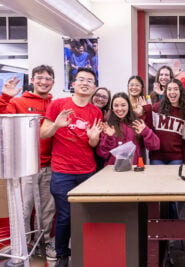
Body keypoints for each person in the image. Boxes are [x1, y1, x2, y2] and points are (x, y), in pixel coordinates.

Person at [40, 67, 103, 267]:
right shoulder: (58, 105)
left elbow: (93, 143)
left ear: (94, 88)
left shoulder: (96, 111)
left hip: (87, 171)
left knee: (86, 215)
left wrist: (94, 139)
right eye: (81, 79)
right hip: (62, 172)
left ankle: (86, 251)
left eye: (90, 81)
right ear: (73, 84)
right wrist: (57, 125)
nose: (85, 83)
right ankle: (61, 255)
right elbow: (43, 134)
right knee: (64, 216)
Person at [0, 65, 57, 260]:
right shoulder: (18, 101)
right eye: (39, 78)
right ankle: (22, 247)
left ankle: (45, 243)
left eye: (48, 78)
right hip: (25, 166)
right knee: (24, 208)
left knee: (47, 210)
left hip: (49, 164)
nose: (43, 81)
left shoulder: (55, 104)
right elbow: (2, 116)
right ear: (32, 80)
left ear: (53, 82)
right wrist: (5, 97)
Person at [96, 92, 160, 166]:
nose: (120, 109)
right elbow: (102, 154)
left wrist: (146, 132)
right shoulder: (108, 125)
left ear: (128, 106)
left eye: (123, 105)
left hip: (133, 168)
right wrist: (109, 138)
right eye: (116, 106)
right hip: (113, 169)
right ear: (112, 108)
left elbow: (155, 146)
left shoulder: (137, 123)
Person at [150, 79, 185, 165]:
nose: (172, 92)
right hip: (157, 156)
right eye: (169, 89)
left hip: (176, 157)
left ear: (180, 92)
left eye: (176, 89)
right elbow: (149, 129)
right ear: (166, 92)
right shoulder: (157, 107)